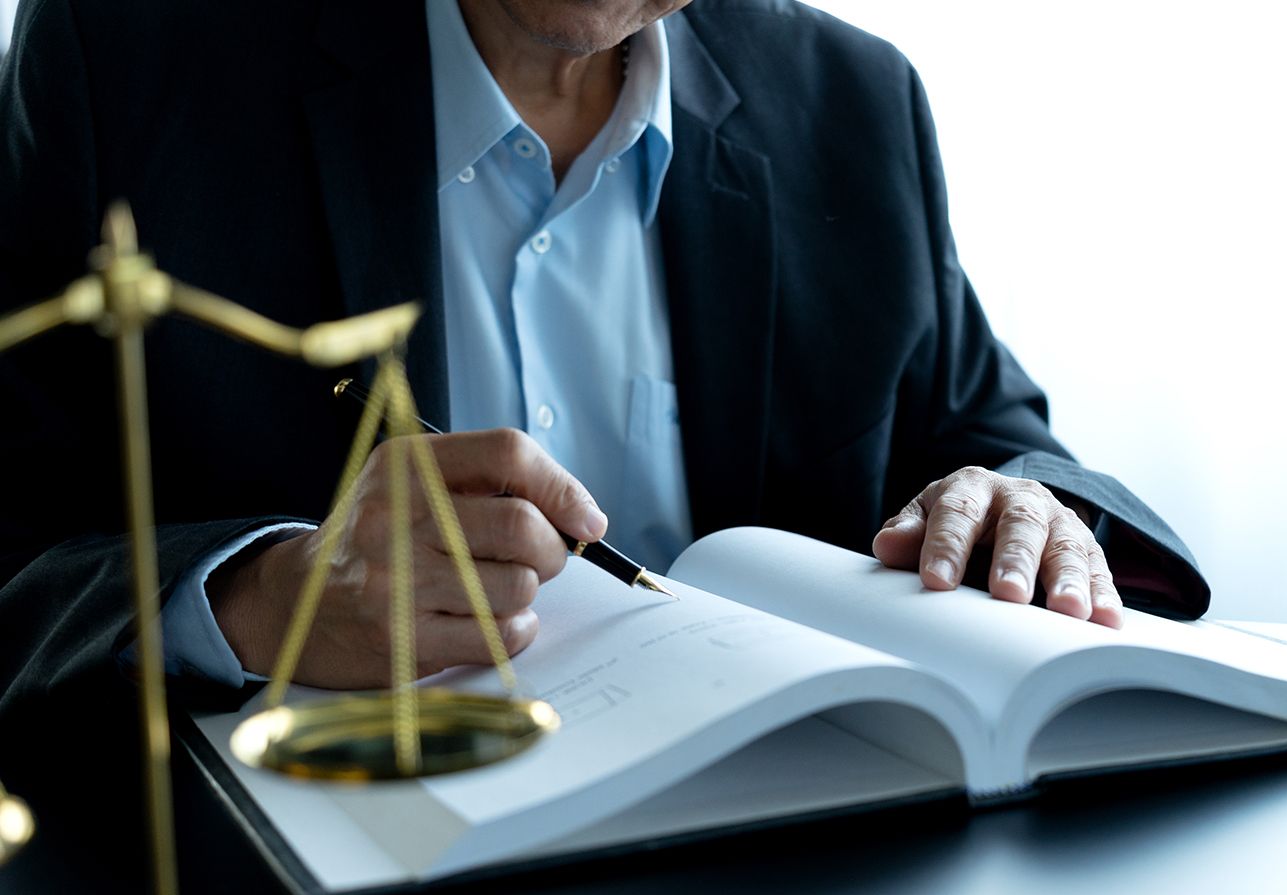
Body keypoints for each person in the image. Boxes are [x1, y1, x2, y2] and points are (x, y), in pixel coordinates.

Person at [0, 0, 1208, 717]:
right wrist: (266, 602)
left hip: (793, 883)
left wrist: (1025, 505)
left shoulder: (852, 100)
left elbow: (996, 440)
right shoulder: (128, 55)